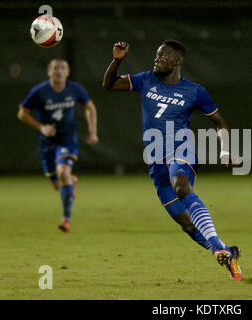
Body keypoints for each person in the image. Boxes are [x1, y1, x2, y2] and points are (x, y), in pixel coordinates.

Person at [102, 40, 242, 281]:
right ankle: (226, 252)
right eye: (157, 55)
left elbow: (219, 121)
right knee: (187, 225)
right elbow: (109, 85)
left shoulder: (195, 91)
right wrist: (117, 60)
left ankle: (218, 247)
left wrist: (225, 150)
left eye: (163, 56)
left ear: (177, 61)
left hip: (181, 148)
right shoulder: (146, 80)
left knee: (180, 185)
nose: (157, 59)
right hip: (155, 160)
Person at [18, 58, 98, 233]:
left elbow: (90, 108)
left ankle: (66, 219)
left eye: (63, 68)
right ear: (49, 72)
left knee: (63, 172)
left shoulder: (75, 89)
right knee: (57, 184)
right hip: (47, 144)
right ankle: (70, 182)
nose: (59, 71)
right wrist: (41, 127)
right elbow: (22, 113)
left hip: (67, 141)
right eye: (55, 68)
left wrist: (92, 132)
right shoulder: (39, 92)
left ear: (67, 72)